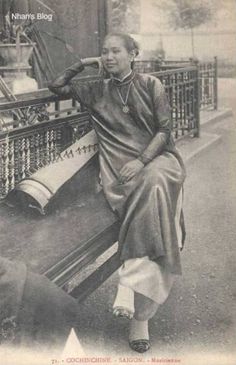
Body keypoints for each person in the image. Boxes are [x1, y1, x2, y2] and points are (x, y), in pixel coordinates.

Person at [48, 33, 186, 353]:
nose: (109, 57)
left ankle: (134, 297)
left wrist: (141, 161)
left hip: (157, 161)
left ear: (133, 54)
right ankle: (138, 306)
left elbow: (165, 130)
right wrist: (83, 63)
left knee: (151, 186)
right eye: (104, 52)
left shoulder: (151, 84)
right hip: (118, 169)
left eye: (116, 51)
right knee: (149, 204)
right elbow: (57, 85)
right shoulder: (97, 87)